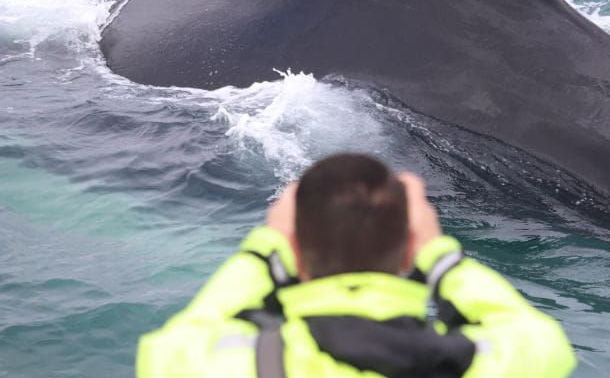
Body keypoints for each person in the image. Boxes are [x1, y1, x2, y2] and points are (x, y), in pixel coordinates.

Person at [137, 153, 576, 378]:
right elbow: (539, 337)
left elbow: (175, 341)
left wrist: (265, 249)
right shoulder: (473, 364)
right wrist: (439, 255)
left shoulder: (227, 364)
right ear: (410, 250)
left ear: (292, 247)